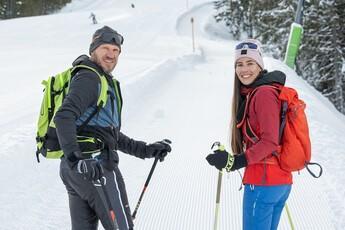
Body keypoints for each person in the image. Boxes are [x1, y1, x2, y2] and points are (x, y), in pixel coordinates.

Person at [55, 26, 172, 230]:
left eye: (115, 50)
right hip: (96, 168)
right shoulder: (90, 78)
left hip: (77, 171)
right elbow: (64, 116)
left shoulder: (98, 79)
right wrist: (78, 159)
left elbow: (105, 133)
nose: (111, 55)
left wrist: (145, 149)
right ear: (94, 50)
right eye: (105, 48)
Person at [206, 39, 292, 230]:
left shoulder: (262, 94)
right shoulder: (257, 92)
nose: (244, 69)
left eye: (250, 63)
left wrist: (236, 162)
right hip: (275, 182)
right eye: (239, 64)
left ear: (260, 65)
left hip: (263, 182)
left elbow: (269, 141)